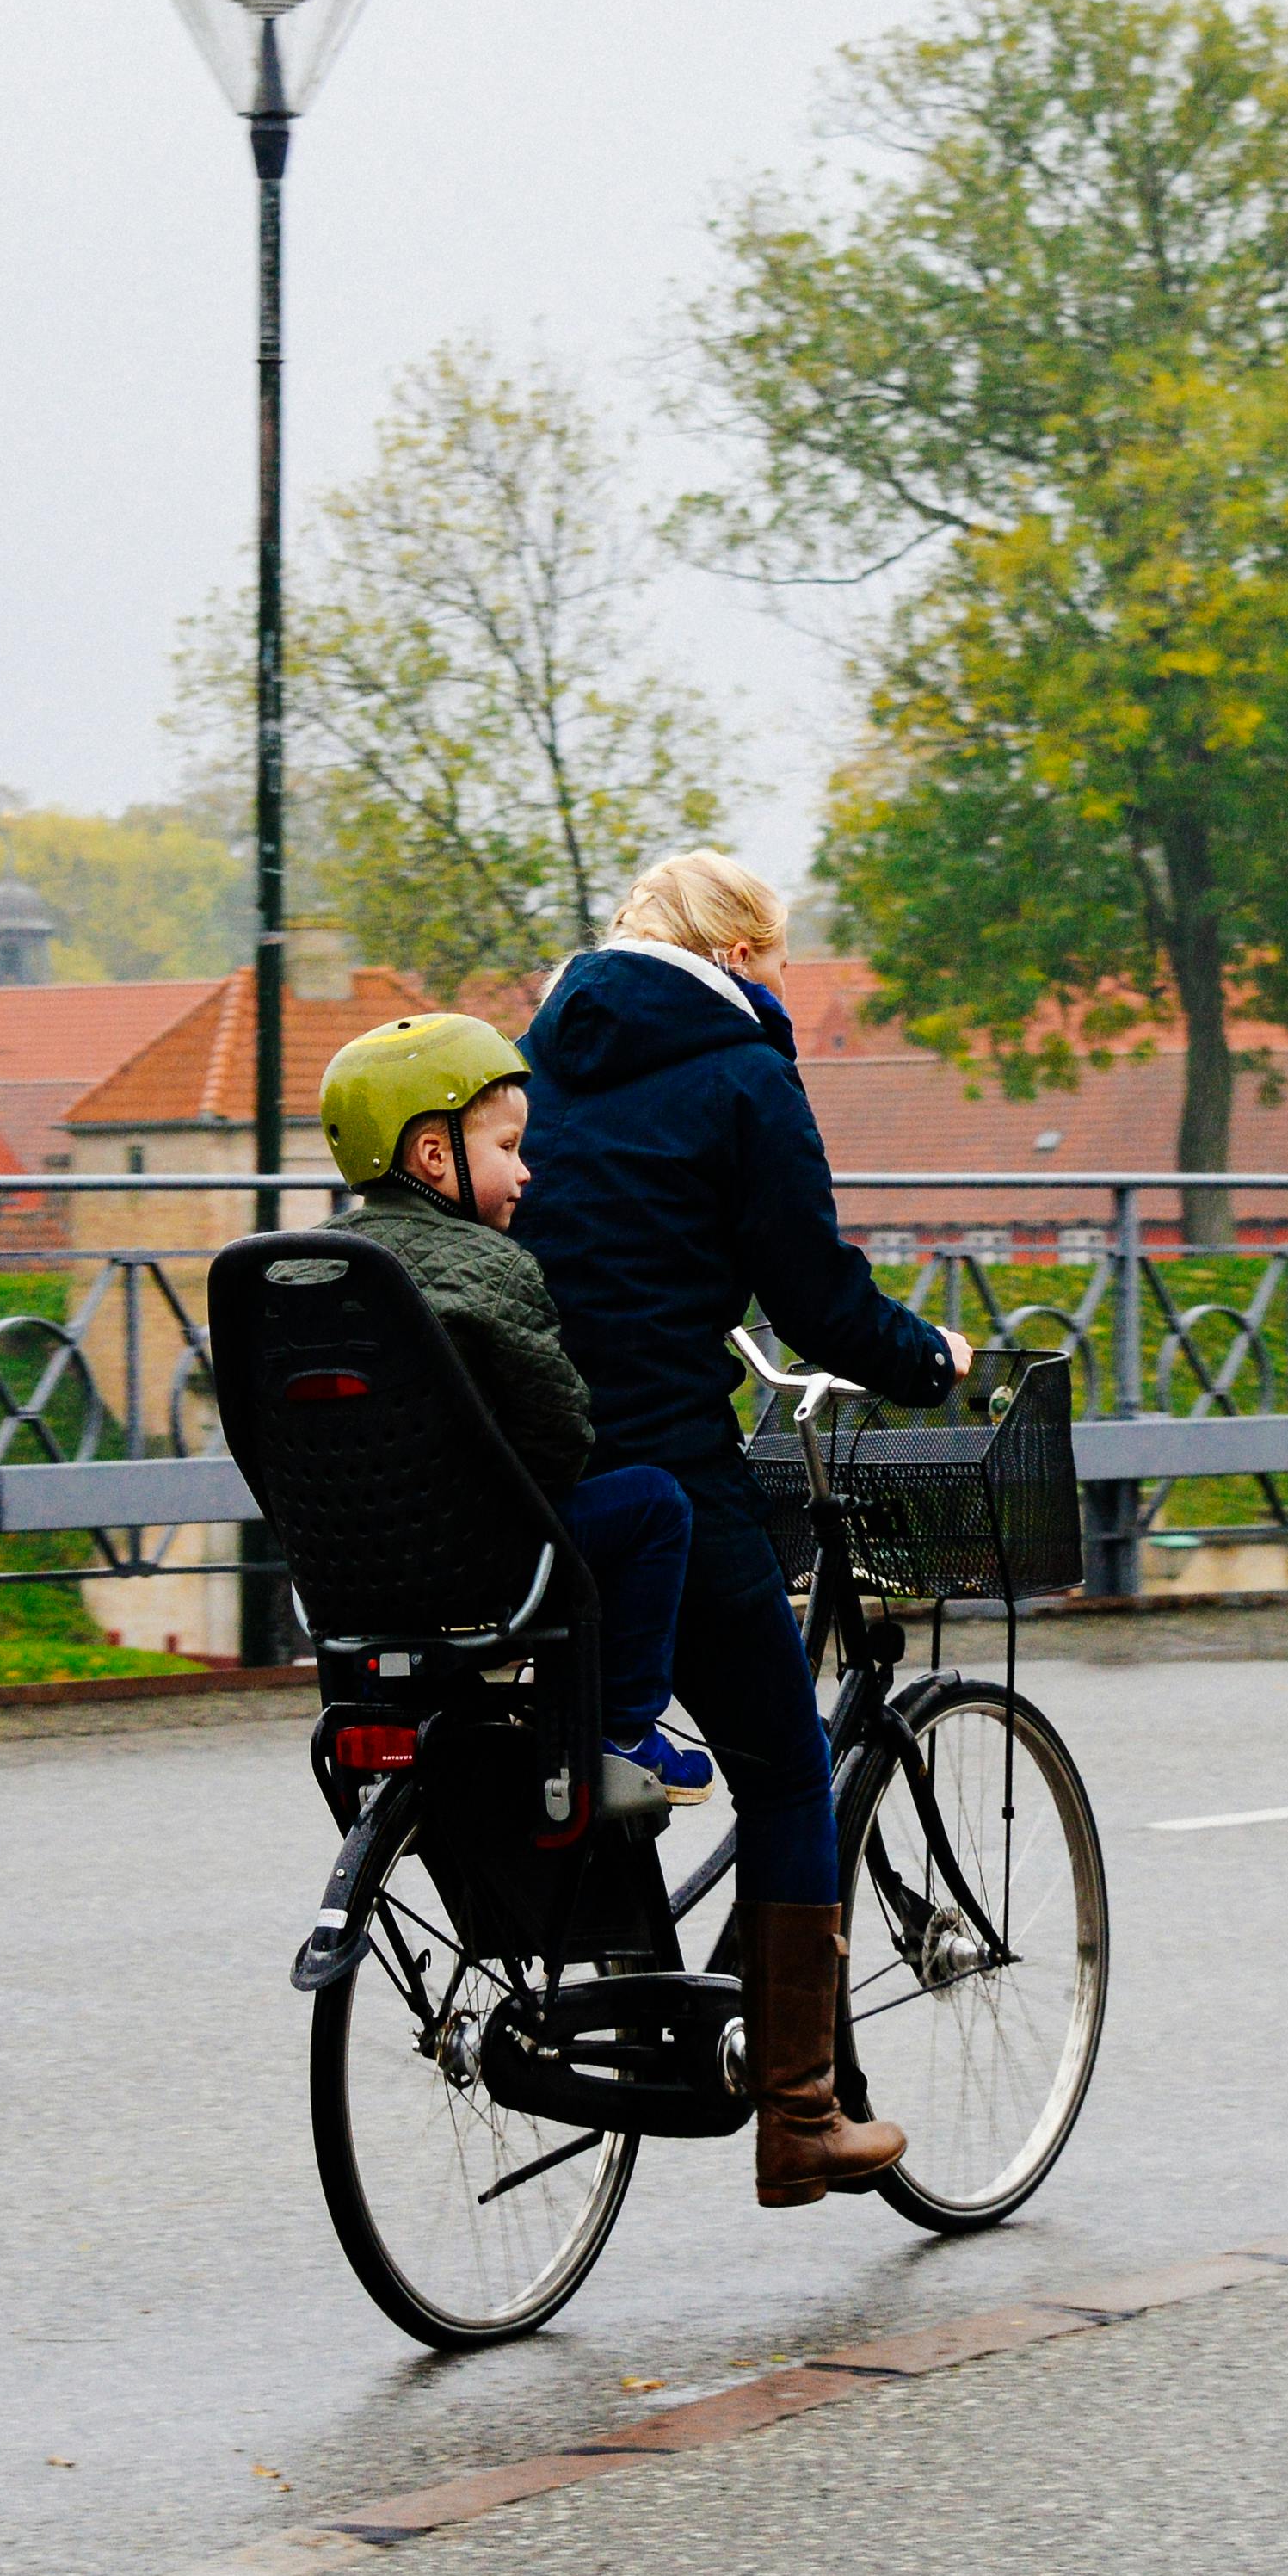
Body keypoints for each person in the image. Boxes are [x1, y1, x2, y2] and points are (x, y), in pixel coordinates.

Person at [511, 849, 978, 2210]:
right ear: (743, 956)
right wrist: (932, 1359)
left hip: (529, 1469)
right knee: (782, 1769)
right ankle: (799, 2119)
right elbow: (818, 1307)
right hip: (663, 1455)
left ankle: (629, 1988)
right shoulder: (743, 1074)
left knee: (605, 1723)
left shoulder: (533, 1071)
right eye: (779, 960)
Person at [315, 1012, 715, 1805]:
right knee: (654, 1505)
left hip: (340, 1573)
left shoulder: (318, 1267)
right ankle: (626, 1726)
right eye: (507, 1149)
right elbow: (559, 1437)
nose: (526, 1172)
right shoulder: (494, 1266)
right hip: (475, 1565)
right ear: (434, 1156)